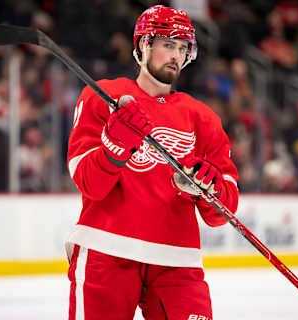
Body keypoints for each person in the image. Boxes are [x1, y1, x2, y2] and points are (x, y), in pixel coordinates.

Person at [65, 5, 239, 320]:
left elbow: (221, 212)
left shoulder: (203, 117)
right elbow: (89, 183)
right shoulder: (104, 96)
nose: (176, 55)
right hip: (107, 252)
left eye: (183, 47)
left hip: (177, 261)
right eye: (168, 45)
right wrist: (114, 143)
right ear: (144, 44)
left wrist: (209, 187)